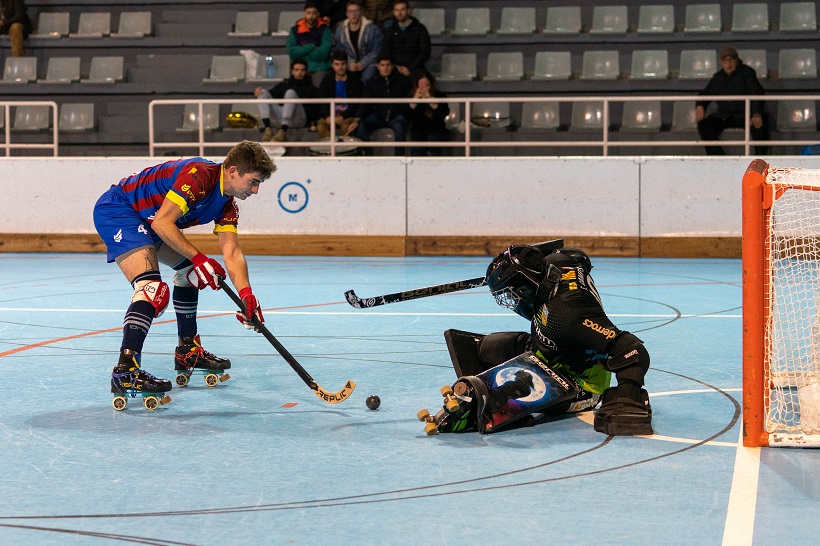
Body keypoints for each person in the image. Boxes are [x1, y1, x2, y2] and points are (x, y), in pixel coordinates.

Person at [92, 141, 276, 401]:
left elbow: (232, 253)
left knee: (190, 272)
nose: (256, 190)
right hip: (120, 210)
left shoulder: (227, 205)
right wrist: (201, 258)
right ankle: (126, 370)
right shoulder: (199, 176)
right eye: (254, 181)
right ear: (233, 171)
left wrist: (246, 295)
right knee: (151, 289)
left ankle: (188, 350)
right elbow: (163, 222)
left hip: (148, 219)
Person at [443, 242, 653, 436]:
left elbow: (631, 349)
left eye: (510, 293)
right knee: (486, 347)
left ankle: (494, 407)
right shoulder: (558, 263)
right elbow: (576, 256)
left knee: (529, 399)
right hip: (556, 349)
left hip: (580, 384)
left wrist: (628, 393)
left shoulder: (570, 314)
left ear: (525, 286)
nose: (510, 300)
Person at [695, 47, 769, 155]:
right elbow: (705, 93)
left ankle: (760, 162)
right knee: (704, 125)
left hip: (745, 115)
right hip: (724, 116)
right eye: (725, 61)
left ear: (737, 60)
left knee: (762, 124)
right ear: (721, 63)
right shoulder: (717, 78)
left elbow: (756, 92)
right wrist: (700, 105)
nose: (728, 63)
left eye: (731, 60)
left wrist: (756, 113)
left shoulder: (747, 73)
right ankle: (719, 160)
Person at [254, 58, 322, 142]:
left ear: (306, 71)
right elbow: (270, 95)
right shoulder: (284, 85)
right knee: (263, 92)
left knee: (290, 93)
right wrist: (257, 93)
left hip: (299, 119)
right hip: (280, 118)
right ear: (292, 71)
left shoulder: (312, 88)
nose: (299, 72)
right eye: (296, 70)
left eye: (302, 70)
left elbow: (316, 109)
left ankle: (283, 130)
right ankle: (267, 128)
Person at [356, 54, 411, 155]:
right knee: (362, 127)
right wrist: (358, 117)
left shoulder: (402, 81)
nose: (385, 68)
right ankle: (369, 158)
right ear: (378, 66)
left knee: (399, 128)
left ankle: (399, 160)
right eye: (382, 65)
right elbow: (366, 103)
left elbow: (408, 100)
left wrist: (402, 112)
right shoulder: (371, 82)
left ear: (392, 66)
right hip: (379, 116)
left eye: (388, 65)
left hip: (397, 116)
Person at [317, 50, 364, 139]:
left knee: (345, 126)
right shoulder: (326, 80)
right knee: (320, 126)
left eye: (343, 64)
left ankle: (345, 151)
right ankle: (331, 151)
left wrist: (343, 116)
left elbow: (356, 104)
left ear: (347, 64)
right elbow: (321, 102)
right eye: (337, 64)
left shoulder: (355, 80)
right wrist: (327, 116)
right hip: (330, 114)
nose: (340, 67)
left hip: (348, 115)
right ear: (332, 65)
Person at [335, 0, 383, 82]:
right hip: (350, 63)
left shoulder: (373, 29)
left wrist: (362, 64)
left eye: (356, 11)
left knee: (367, 77)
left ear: (361, 12)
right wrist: (350, 63)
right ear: (347, 14)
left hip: (370, 62)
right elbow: (340, 50)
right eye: (350, 11)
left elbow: (377, 50)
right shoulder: (340, 31)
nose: (353, 14)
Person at [382, 1, 430, 76]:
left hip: (416, 68)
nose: (399, 13)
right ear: (393, 12)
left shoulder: (420, 28)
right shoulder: (390, 30)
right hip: (395, 69)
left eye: (402, 10)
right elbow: (386, 50)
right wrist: (396, 67)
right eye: (397, 10)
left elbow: (425, 52)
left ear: (409, 11)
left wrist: (410, 68)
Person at [286, 0, 334, 77]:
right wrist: (311, 46)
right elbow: (292, 52)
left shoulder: (325, 30)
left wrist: (301, 53)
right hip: (300, 69)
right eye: (308, 13)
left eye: (314, 13)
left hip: (319, 69)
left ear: (318, 14)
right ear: (304, 13)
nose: (311, 16)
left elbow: (323, 54)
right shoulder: (295, 30)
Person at [407, 70, 449, 156]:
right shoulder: (410, 97)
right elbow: (406, 116)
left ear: (431, 84)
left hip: (437, 130)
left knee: (433, 139)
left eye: (427, 85)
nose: (424, 89)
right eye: (421, 85)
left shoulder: (440, 96)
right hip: (418, 132)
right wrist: (414, 101)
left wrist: (432, 102)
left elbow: (443, 114)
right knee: (417, 146)